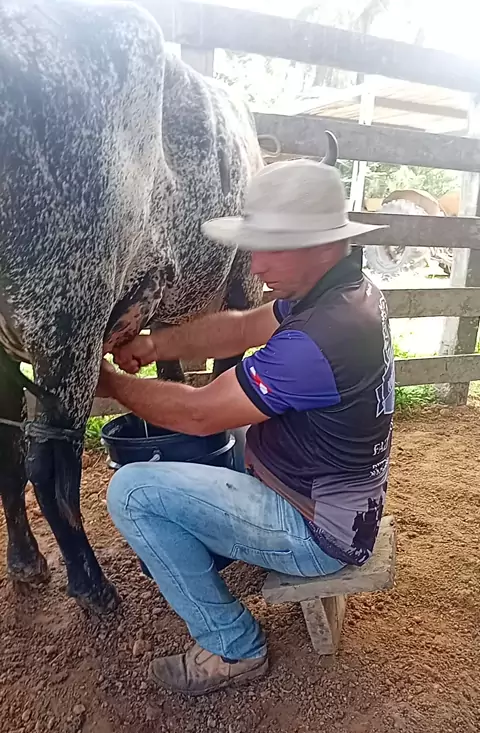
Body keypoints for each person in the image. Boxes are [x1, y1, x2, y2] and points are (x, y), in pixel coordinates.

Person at [97, 157, 394, 697]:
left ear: (323, 245)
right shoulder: (343, 291)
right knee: (219, 441)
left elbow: (197, 412)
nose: (254, 266)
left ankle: (233, 647)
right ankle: (211, 549)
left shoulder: (319, 337)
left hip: (318, 530)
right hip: (324, 490)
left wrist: (110, 383)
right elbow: (241, 328)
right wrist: (155, 345)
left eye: (271, 247)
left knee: (132, 491)